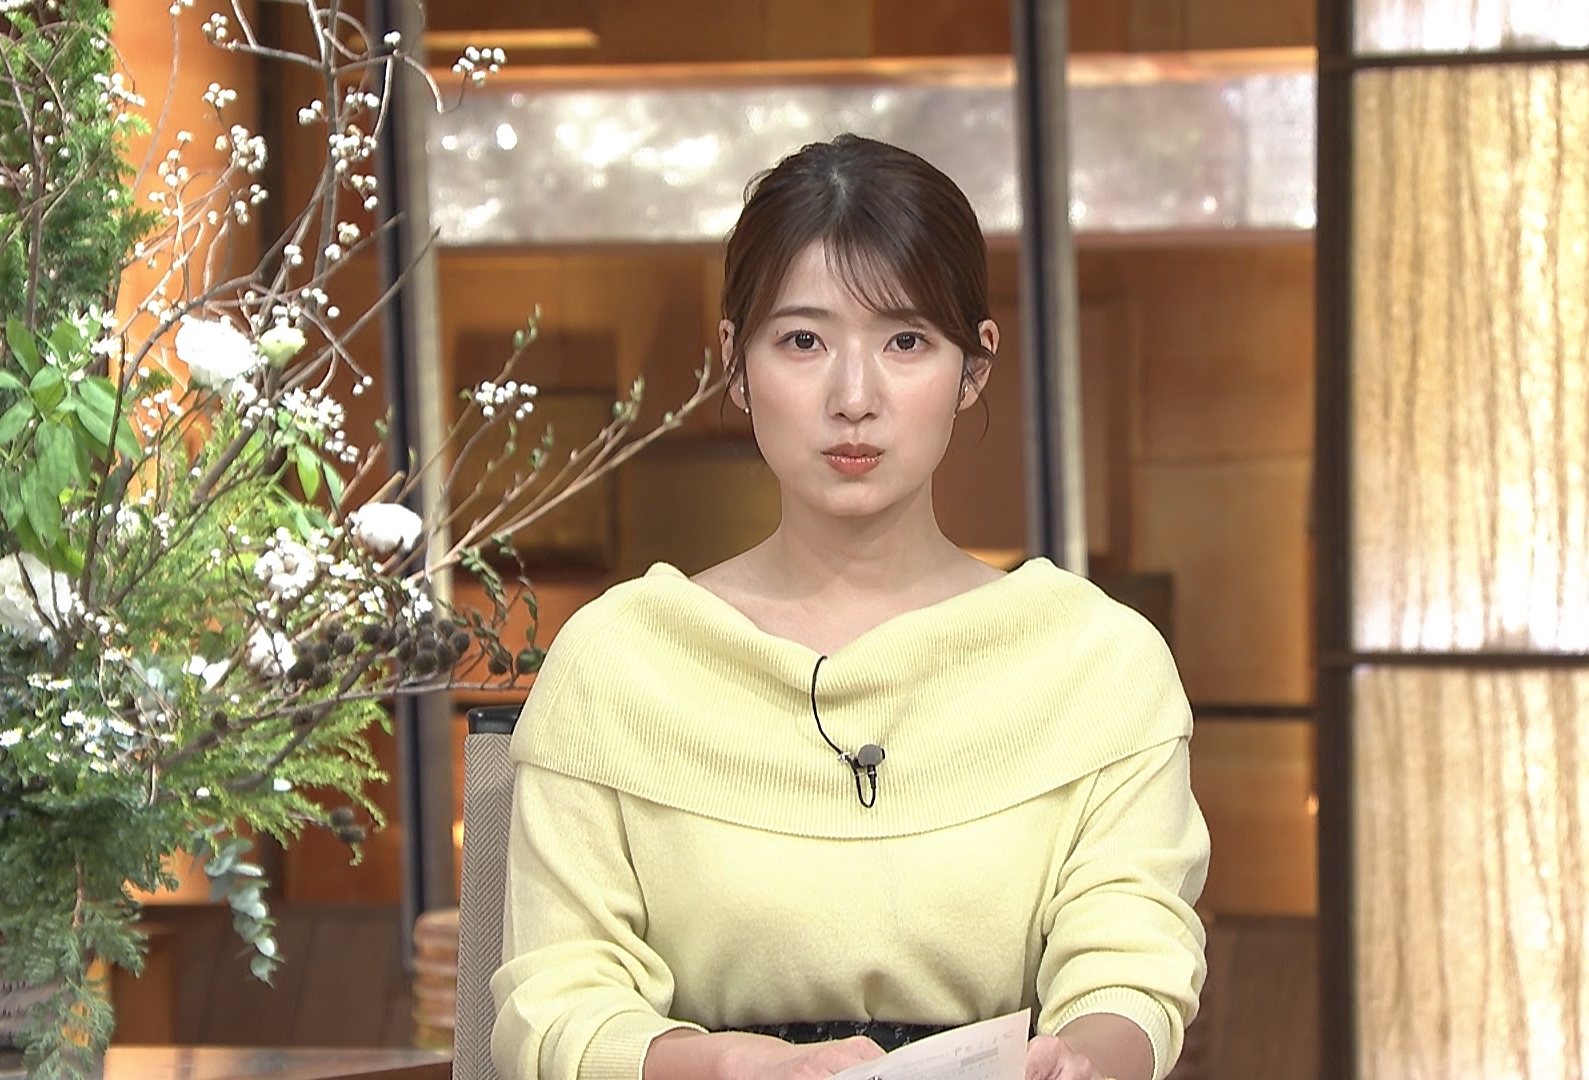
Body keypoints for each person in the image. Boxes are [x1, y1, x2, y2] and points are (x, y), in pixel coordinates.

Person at [491, 133, 1210, 1080]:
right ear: (734, 363)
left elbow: (1133, 968)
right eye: (803, 341)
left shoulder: (1097, 662)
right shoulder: (618, 661)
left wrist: (1077, 1063)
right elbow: (553, 1003)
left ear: (975, 367)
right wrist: (723, 1069)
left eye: (906, 341)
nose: (854, 397)